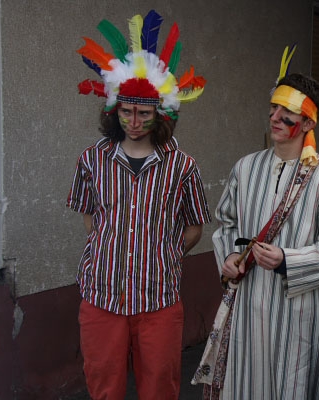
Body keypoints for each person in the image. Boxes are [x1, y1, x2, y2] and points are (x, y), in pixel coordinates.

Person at [194, 46, 319, 399]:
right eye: (274, 108)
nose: (276, 117)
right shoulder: (245, 168)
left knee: (292, 385)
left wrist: (287, 260)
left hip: (299, 314)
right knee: (246, 382)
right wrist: (230, 256)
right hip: (249, 305)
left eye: (288, 112)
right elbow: (227, 222)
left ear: (308, 123)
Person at [66, 10, 211, 399]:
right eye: (126, 111)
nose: (133, 121)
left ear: (159, 114)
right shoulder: (92, 160)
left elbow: (195, 226)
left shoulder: (183, 166)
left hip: (158, 300)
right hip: (102, 297)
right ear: (115, 108)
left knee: (160, 387)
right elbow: (89, 217)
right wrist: (110, 246)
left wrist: (164, 252)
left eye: (144, 113)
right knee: (104, 386)